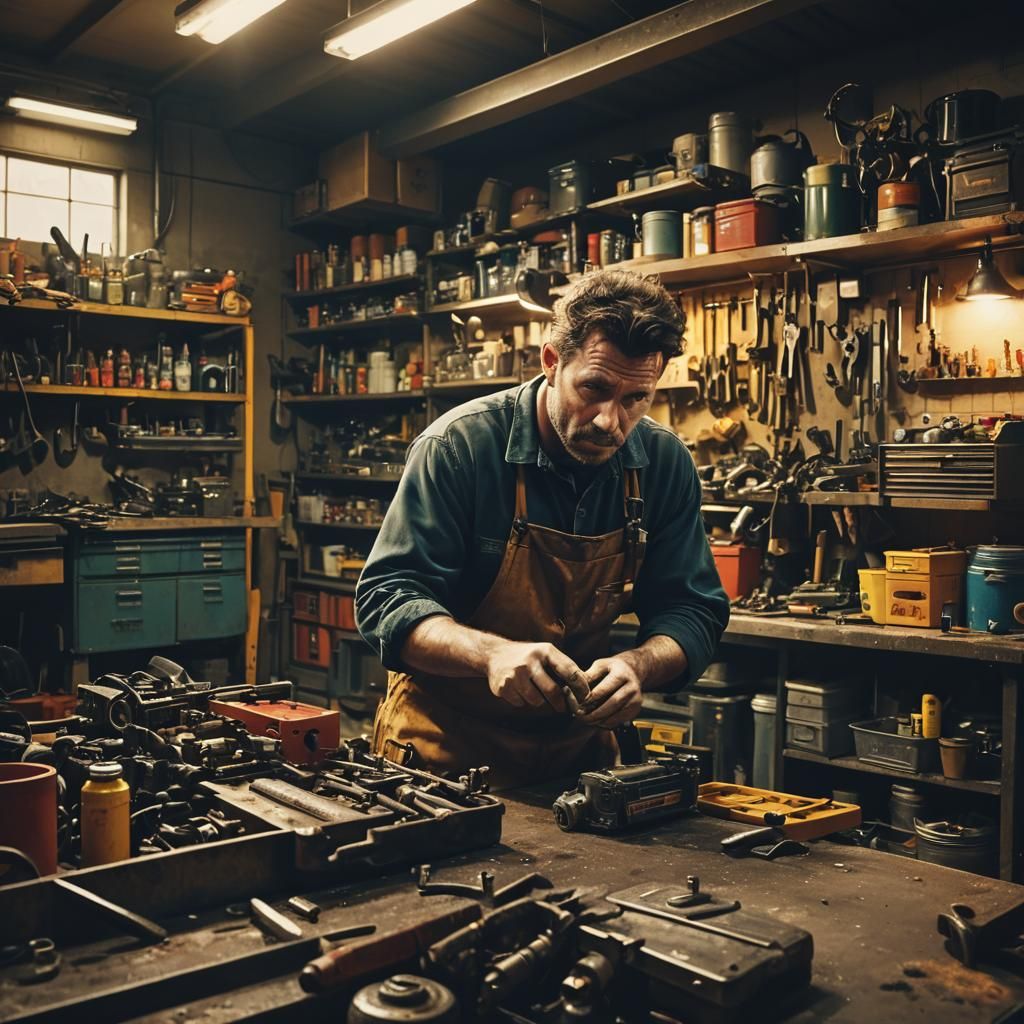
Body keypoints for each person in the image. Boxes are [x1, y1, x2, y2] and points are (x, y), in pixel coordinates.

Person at [355, 269, 729, 788]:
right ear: (552, 361)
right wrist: (490, 654)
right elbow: (389, 600)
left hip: (578, 759)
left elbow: (693, 608)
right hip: (443, 755)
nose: (609, 421)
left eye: (635, 398)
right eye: (594, 389)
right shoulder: (460, 447)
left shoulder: (663, 463)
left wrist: (639, 665)